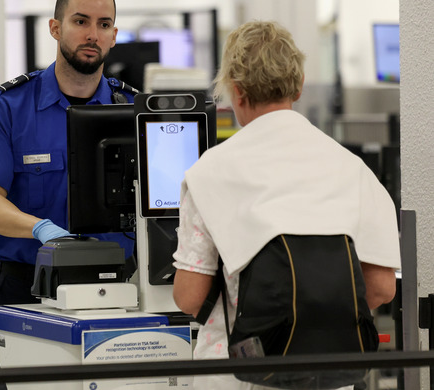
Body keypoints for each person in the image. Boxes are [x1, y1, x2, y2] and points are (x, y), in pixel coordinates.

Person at [171, 21, 400, 389]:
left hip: (240, 374)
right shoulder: (352, 169)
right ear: (299, 84)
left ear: (239, 93)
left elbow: (189, 296)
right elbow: (381, 288)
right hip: (329, 373)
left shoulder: (210, 171)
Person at [0, 0, 138, 378]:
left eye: (104, 24)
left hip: (119, 290)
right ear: (56, 28)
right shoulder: (10, 106)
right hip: (27, 288)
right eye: (81, 21)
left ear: (114, 35)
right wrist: (39, 229)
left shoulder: (136, 112)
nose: (93, 34)